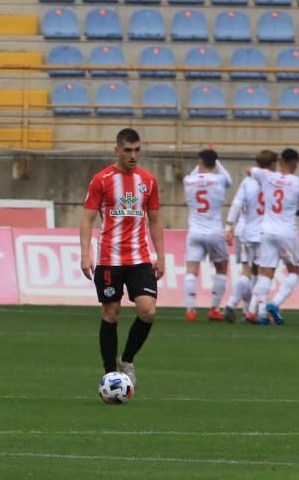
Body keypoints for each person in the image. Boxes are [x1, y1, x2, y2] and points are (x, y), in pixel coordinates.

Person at [79, 128, 164, 386]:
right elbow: (87, 218)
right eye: (127, 150)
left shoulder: (148, 181)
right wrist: (85, 254)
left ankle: (127, 360)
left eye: (137, 150)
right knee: (111, 313)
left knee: (148, 312)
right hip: (108, 259)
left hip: (139, 258)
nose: (133, 155)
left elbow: (156, 220)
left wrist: (161, 255)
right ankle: (109, 375)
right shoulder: (101, 180)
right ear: (117, 150)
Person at [247, 148, 299, 325]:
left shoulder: (267, 176)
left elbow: (249, 170)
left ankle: (262, 314)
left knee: (266, 273)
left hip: (267, 231)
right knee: (295, 270)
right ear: (295, 163)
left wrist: (264, 174)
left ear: (280, 162)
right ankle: (275, 304)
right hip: (286, 232)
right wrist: (296, 211)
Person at [182, 149, 231, 322]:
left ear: (199, 162)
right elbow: (229, 180)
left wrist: (200, 163)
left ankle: (190, 310)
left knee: (191, 271)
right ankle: (214, 309)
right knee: (222, 269)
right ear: (215, 163)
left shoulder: (188, 180)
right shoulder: (220, 179)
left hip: (194, 231)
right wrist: (216, 161)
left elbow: (194, 173)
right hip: (214, 232)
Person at [224, 148, 274, 322]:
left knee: (247, 272)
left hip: (245, 232)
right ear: (273, 164)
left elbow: (236, 204)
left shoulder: (247, 181)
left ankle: (234, 306)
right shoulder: (274, 181)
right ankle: (253, 310)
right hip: (263, 234)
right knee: (262, 274)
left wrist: (228, 227)